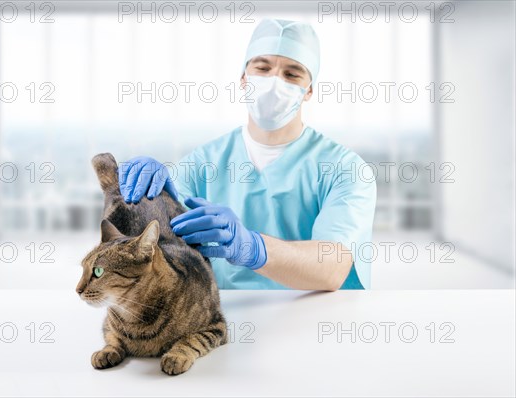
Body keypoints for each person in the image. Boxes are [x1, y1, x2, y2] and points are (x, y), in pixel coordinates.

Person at [118, 19, 377, 290]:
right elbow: (154, 247)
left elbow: (332, 268)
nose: (274, 83)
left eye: (292, 74)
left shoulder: (345, 168)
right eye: (263, 68)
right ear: (244, 78)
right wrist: (144, 201)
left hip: (319, 321)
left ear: (309, 90)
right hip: (224, 322)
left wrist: (253, 248)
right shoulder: (201, 164)